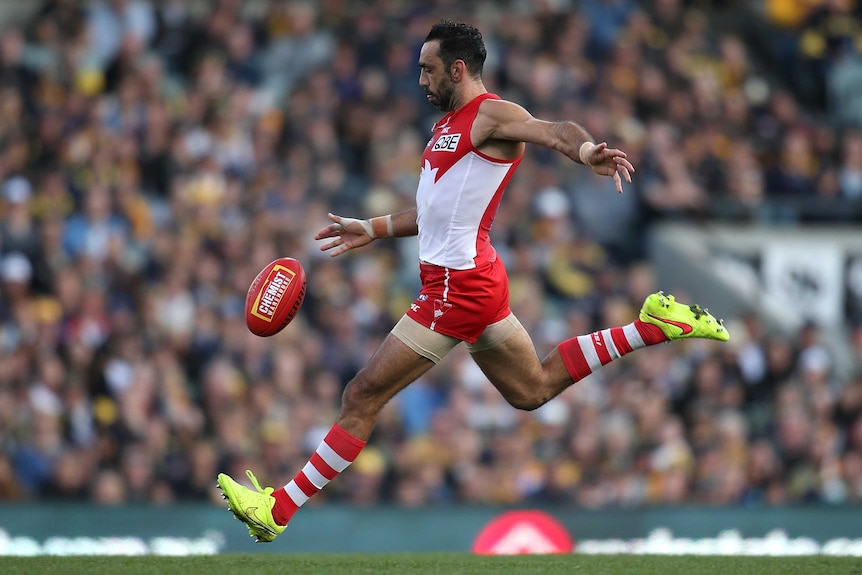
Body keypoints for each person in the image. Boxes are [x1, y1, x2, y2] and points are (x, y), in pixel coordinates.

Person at [216, 20, 729, 543]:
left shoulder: (489, 114)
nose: (420, 80)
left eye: (428, 69)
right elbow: (432, 211)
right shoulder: (447, 129)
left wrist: (587, 152)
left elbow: (556, 129)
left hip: (455, 288)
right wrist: (369, 228)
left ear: (457, 69)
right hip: (476, 279)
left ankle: (277, 509)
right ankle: (653, 327)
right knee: (532, 389)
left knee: (362, 393)